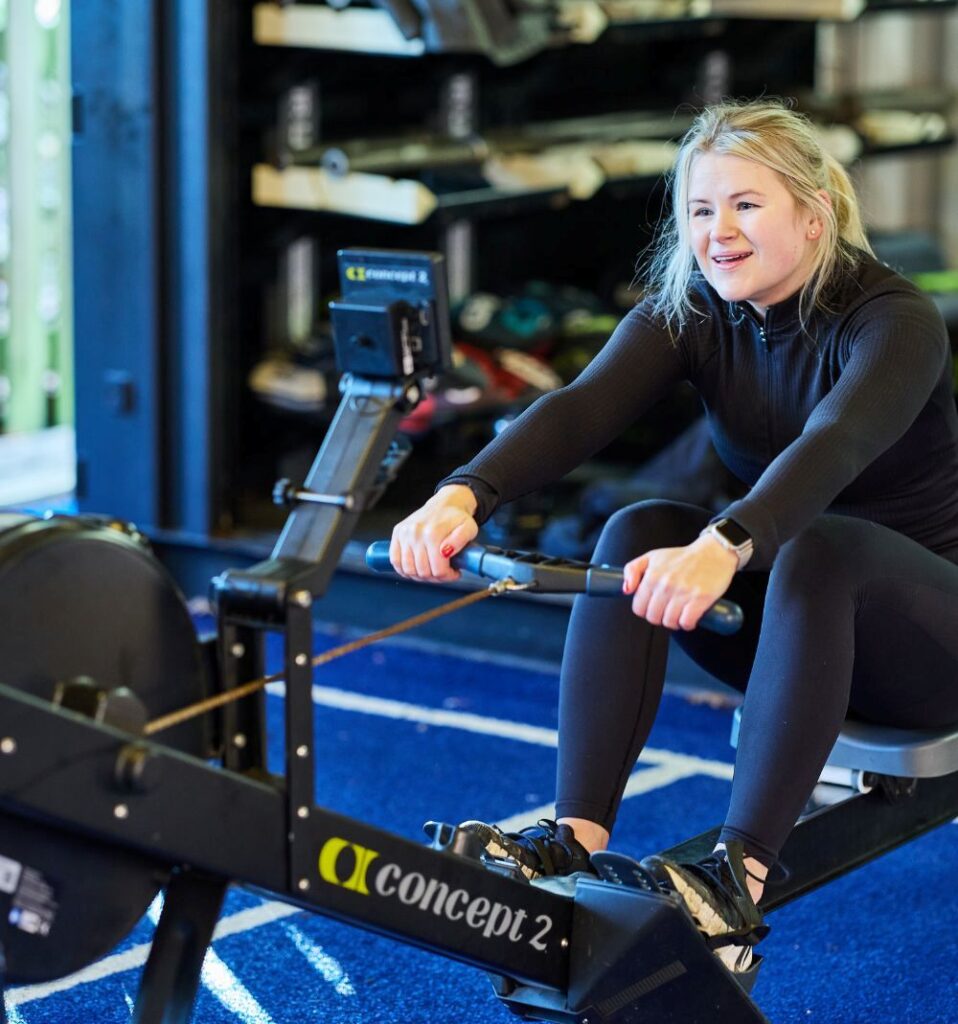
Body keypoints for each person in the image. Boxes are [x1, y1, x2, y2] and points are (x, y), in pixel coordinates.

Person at [388, 99, 958, 974]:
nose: (717, 231)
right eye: (700, 210)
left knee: (820, 547)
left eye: (745, 205)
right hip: (800, 634)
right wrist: (464, 493)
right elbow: (579, 408)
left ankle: (737, 883)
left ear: (813, 216)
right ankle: (568, 836)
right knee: (639, 527)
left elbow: (832, 444)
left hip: (925, 644)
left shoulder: (895, 321)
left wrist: (725, 544)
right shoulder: (693, 312)